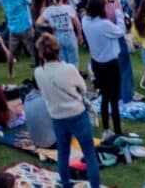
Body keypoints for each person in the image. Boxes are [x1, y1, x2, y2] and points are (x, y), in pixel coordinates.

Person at [33, 34, 101, 188]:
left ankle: (65, 183)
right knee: (89, 153)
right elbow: (83, 88)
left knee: (63, 153)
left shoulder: (39, 73)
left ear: (41, 53)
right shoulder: (68, 69)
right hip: (76, 114)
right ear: (57, 50)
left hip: (57, 116)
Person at [82, 0, 126, 136]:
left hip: (96, 62)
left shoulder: (85, 21)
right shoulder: (104, 25)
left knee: (105, 96)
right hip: (110, 64)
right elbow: (121, 31)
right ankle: (118, 131)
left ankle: (106, 129)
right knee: (113, 98)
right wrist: (118, 11)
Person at [0, 0, 35, 77]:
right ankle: (39, 71)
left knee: (11, 53)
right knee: (33, 52)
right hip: (25, 28)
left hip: (13, 29)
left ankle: (10, 73)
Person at [37, 0, 81, 66]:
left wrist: (49, 25)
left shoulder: (49, 10)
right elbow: (76, 22)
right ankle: (74, 75)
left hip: (57, 35)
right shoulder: (68, 8)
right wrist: (79, 34)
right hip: (69, 34)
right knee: (73, 60)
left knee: (62, 60)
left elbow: (38, 22)